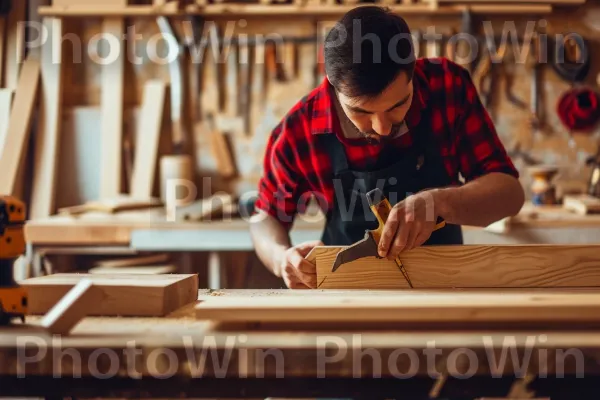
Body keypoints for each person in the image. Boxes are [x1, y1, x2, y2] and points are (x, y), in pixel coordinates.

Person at [249, 5, 525, 289]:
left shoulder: (447, 87)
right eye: (361, 112)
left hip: (444, 292)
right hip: (346, 295)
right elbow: (265, 218)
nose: (382, 128)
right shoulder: (300, 129)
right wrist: (281, 257)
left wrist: (441, 203)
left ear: (413, 70)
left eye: (398, 105)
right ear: (333, 86)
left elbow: (510, 194)